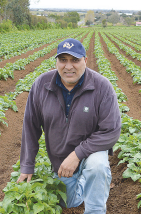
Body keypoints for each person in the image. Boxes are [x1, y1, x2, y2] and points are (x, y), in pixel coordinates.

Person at [17, 38, 122, 213]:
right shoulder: (41, 86)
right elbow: (31, 127)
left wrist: (77, 155)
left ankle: (95, 207)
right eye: (63, 60)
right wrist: (27, 166)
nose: (68, 66)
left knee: (97, 167)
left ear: (85, 61)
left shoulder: (102, 87)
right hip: (60, 161)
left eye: (75, 60)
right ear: (56, 62)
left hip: (91, 153)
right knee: (67, 202)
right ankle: (83, 183)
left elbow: (111, 131)